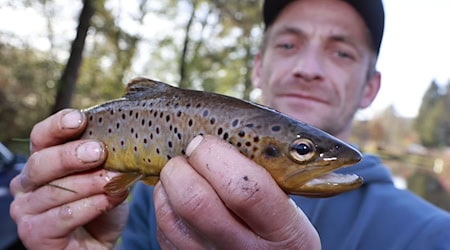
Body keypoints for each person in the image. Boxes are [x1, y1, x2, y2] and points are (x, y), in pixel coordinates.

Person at [9, 0, 450, 249]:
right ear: (259, 68)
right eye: (289, 42)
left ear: (370, 87)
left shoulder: (431, 237)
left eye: (341, 52)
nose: (308, 68)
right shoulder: (143, 201)